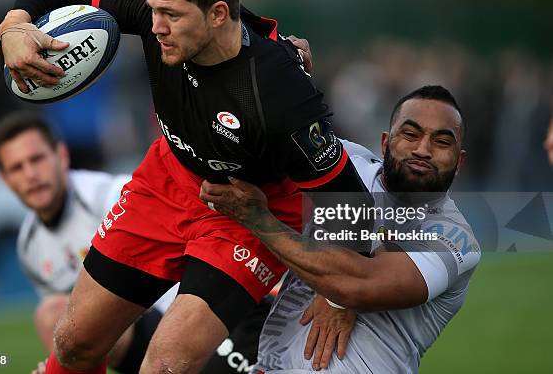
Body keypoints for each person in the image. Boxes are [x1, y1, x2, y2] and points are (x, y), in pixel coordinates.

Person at [0, 0, 357, 373]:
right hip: (167, 182)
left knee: (164, 366)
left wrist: (338, 296)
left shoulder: (280, 91)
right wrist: (13, 27)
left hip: (245, 212)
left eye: (171, 15)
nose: (155, 26)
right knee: (74, 343)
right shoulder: (152, 11)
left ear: (218, 14)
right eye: (153, 9)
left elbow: (349, 198)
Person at [200, 85, 482, 373]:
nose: (423, 150)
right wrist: (284, 64)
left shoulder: (456, 240)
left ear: (459, 162)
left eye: (441, 142)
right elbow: (254, 129)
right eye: (410, 134)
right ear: (385, 143)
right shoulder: (344, 164)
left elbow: (357, 285)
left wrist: (258, 219)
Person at [0, 111, 278, 374]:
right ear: (5, 180)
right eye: (17, 168)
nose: (30, 175)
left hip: (199, 318)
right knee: (54, 317)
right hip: (143, 332)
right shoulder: (29, 246)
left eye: (37, 159)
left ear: (62, 156)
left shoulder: (113, 194)